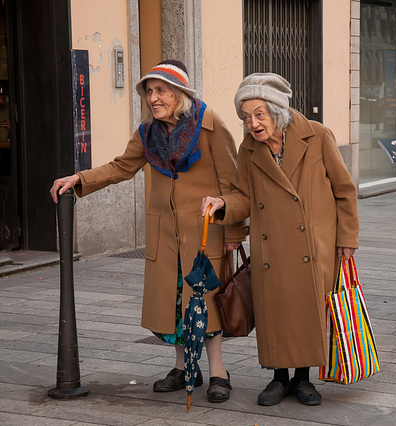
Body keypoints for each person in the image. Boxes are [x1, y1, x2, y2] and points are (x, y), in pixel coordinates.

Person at [50, 60, 248, 402]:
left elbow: (235, 185)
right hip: (165, 235)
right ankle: (185, 368)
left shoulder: (211, 127)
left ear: (180, 93)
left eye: (161, 90)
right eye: (149, 92)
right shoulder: (147, 134)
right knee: (173, 303)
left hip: (205, 232)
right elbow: (120, 167)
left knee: (205, 302)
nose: (153, 98)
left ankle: (218, 371)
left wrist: (233, 231)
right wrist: (79, 179)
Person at [200, 73, 359, 407]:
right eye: (246, 117)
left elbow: (344, 190)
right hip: (270, 246)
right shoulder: (249, 149)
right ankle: (278, 378)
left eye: (259, 114)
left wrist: (347, 237)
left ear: (277, 109)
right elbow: (243, 194)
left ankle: (303, 379)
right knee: (275, 312)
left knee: (306, 308)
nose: (253, 123)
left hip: (313, 246)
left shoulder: (316, 135)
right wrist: (224, 203)